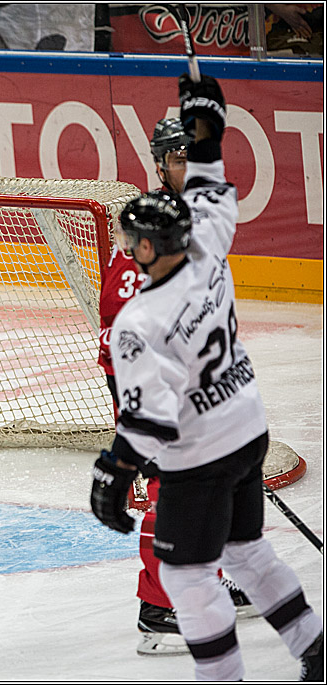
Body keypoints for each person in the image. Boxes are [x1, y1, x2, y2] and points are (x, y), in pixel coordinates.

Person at [90, 73, 323, 681]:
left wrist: (115, 469)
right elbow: (213, 183)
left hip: (190, 432)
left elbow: (150, 411)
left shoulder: (143, 309)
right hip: (244, 420)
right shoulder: (208, 239)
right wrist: (207, 124)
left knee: (187, 561)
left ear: (146, 245)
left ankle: (176, 621)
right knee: (241, 545)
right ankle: (311, 646)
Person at [98, 117, 255, 656]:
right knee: (173, 487)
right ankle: (158, 606)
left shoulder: (199, 219)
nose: (189, 167)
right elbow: (126, 330)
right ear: (161, 163)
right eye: (179, 157)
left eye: (196, 156)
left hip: (196, 383)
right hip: (152, 384)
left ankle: (203, 579)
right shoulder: (148, 227)